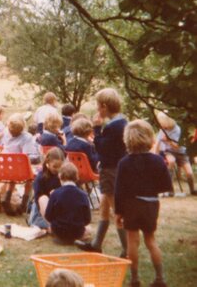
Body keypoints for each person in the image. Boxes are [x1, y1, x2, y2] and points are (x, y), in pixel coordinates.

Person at [115, 120, 173, 287]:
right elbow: (166, 186)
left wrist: (118, 212)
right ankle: (160, 278)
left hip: (131, 205)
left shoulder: (124, 163)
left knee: (132, 242)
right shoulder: (157, 161)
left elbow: (119, 190)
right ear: (149, 138)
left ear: (127, 139)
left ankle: (134, 279)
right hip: (151, 204)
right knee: (151, 241)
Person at [76, 88, 128, 257]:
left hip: (110, 171)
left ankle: (127, 249)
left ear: (104, 106)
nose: (97, 110)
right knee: (104, 208)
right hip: (114, 169)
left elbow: (102, 148)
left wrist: (96, 130)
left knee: (117, 211)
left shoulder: (113, 127)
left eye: (98, 106)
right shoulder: (122, 122)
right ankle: (96, 244)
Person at [1, 113, 41, 215]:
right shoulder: (27, 137)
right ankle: (24, 203)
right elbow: (26, 156)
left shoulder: (5, 132)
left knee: (14, 171)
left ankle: (7, 197)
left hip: (4, 168)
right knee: (30, 175)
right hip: (19, 169)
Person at [45, 162, 91, 244]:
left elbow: (48, 216)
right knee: (89, 229)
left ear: (60, 176)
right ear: (76, 177)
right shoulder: (83, 195)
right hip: (77, 232)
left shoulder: (55, 194)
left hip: (59, 231)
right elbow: (87, 219)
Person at [154, 111, 196, 195]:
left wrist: (168, 141)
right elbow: (157, 143)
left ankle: (192, 190)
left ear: (167, 122)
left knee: (189, 173)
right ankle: (170, 189)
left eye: (162, 123)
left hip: (181, 153)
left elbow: (177, 145)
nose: (161, 125)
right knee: (171, 161)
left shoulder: (177, 129)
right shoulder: (162, 130)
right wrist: (155, 156)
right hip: (169, 151)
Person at [28, 148, 66, 229]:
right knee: (36, 221)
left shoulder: (62, 177)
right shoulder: (41, 178)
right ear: (47, 163)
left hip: (56, 207)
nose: (57, 169)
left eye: (60, 166)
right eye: (55, 166)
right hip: (41, 207)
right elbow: (38, 198)